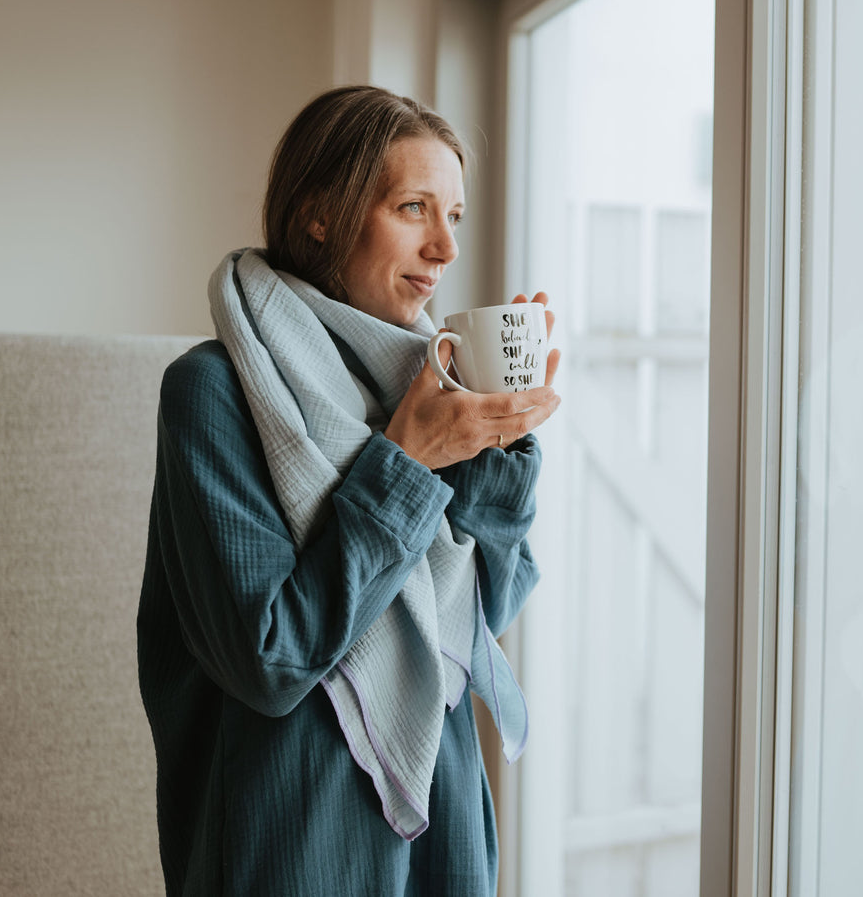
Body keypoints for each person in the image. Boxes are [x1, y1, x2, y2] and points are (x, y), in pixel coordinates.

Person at [136, 85, 561, 896]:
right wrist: (404, 458)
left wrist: (496, 441)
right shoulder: (214, 393)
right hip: (296, 838)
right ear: (320, 214)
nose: (444, 248)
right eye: (413, 207)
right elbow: (269, 658)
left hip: (444, 826)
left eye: (456, 217)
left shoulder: (428, 382)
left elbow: (482, 618)